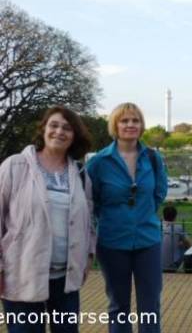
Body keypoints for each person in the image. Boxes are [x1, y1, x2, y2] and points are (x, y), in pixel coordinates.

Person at [0, 106, 95, 333]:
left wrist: (88, 255)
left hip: (65, 281)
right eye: (54, 125)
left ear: (74, 136)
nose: (59, 132)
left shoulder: (80, 174)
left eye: (67, 128)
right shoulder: (15, 166)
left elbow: (90, 220)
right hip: (22, 275)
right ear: (43, 129)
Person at [86, 103, 167, 333]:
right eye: (124, 121)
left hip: (148, 240)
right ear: (115, 125)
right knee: (118, 306)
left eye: (135, 120)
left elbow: (159, 192)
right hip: (112, 242)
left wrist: (142, 214)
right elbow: (93, 201)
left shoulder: (153, 158)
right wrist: (115, 218)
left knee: (150, 306)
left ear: (141, 125)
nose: (130, 125)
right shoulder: (99, 162)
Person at [161, 205, 191, 270]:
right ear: (175, 217)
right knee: (185, 246)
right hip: (171, 265)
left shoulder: (158, 226)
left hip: (156, 264)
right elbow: (188, 243)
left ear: (163, 216)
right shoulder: (178, 228)